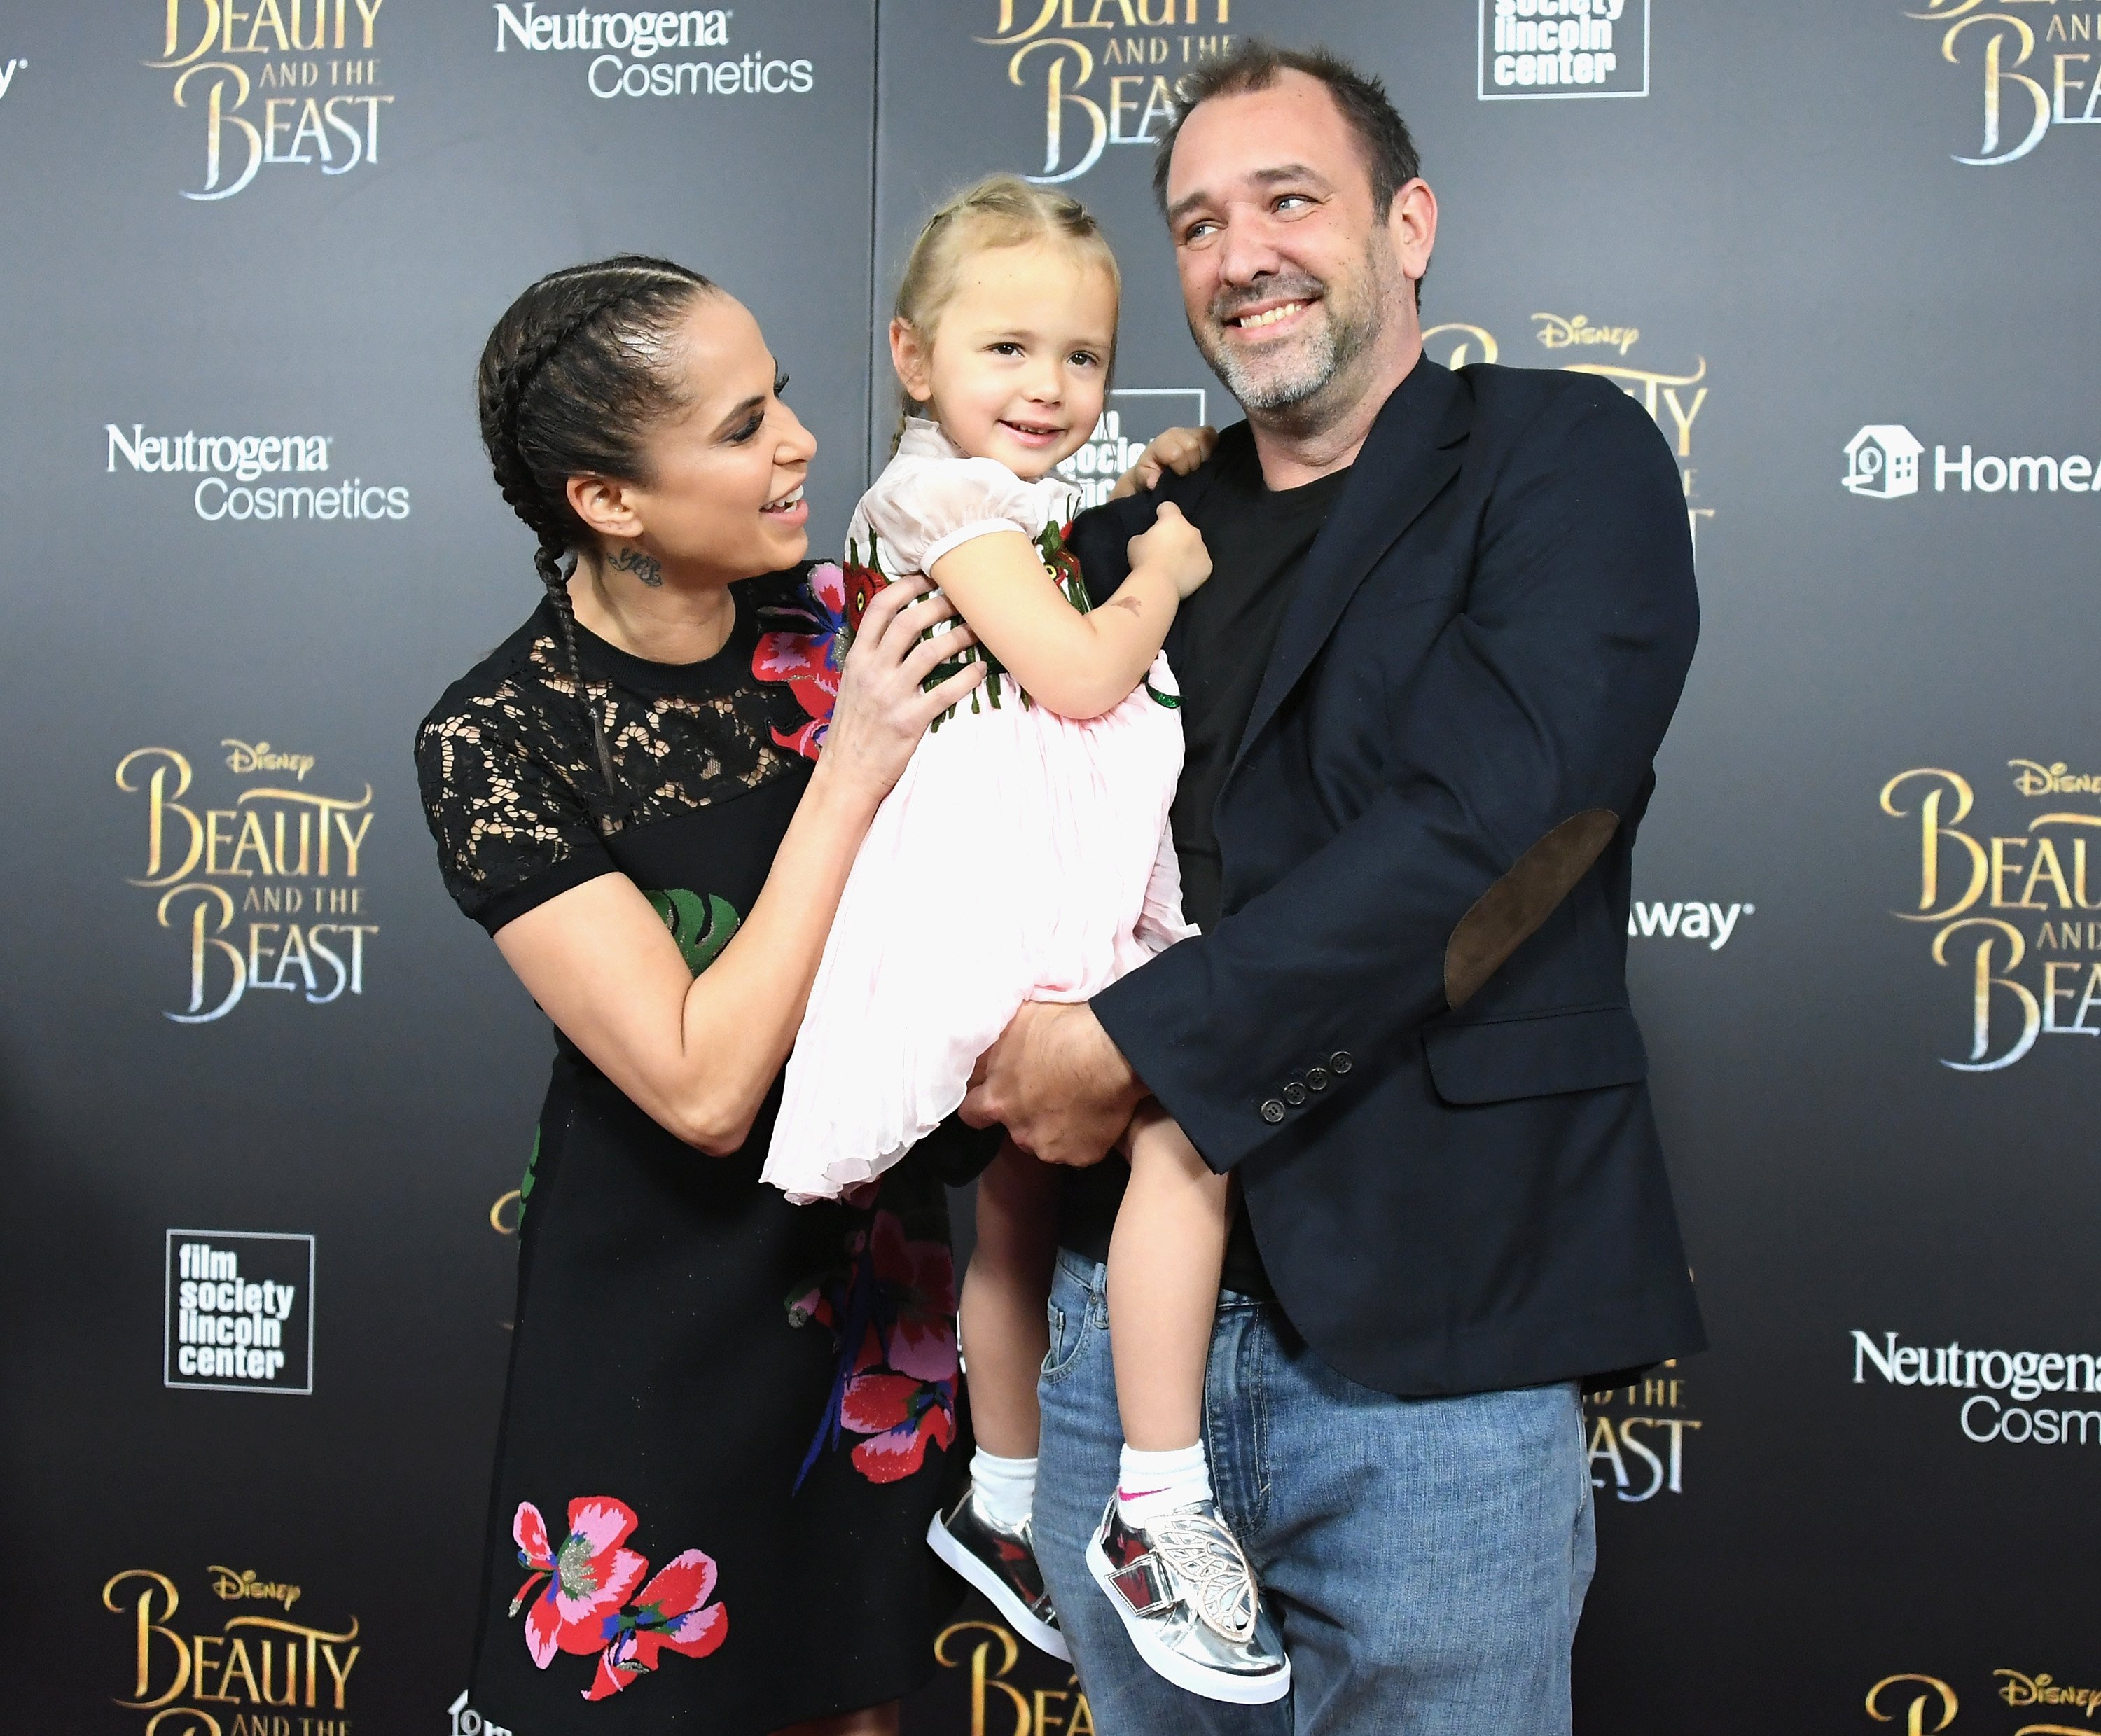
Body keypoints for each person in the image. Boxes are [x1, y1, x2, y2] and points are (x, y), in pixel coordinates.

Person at [959, 42, 1708, 1735]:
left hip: (1430, 1345)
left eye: (1290, 199)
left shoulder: (1560, 454)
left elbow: (1500, 824)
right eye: (1199, 223)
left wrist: (1131, 1047)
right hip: (1107, 1345)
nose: (1242, 254)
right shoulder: (1123, 541)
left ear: (1410, 222)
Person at [415, 256, 990, 1736]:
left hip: (869, 1299)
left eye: (782, 395)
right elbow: (699, 1082)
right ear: (609, 502)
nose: (799, 440)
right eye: (741, 427)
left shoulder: (851, 622)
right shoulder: (498, 734)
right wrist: (850, 771)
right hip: (650, 1323)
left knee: (851, 1701)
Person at [758, 176, 1289, 1704]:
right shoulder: (938, 500)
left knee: (1013, 1202)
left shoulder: (1009, 491)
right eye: (1007, 352)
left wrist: (1167, 472)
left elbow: (1076, 518)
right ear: (914, 358)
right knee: (1193, 1124)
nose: (1048, 389)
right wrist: (1166, 576)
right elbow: (1070, 666)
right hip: (999, 899)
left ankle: (1001, 1497)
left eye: (1082, 360)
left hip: (1031, 880)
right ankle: (1156, 1492)